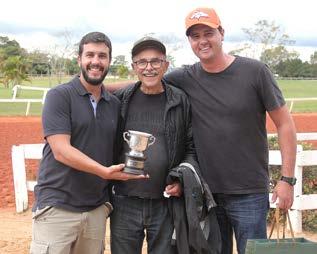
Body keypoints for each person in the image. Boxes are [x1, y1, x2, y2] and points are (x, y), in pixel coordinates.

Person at [162, 7, 297, 254]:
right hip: (208, 195)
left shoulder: (255, 72)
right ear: (190, 41)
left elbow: (285, 124)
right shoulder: (185, 77)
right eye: (195, 36)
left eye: (208, 33)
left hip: (249, 194)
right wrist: (98, 89)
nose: (202, 41)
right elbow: (145, 81)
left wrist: (287, 180)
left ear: (221, 33)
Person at [30, 32, 147, 254]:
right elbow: (61, 151)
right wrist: (103, 172)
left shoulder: (112, 104)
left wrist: (144, 79)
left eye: (102, 56)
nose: (96, 61)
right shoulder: (59, 96)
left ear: (109, 61)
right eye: (90, 55)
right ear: (79, 59)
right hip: (57, 208)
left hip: (95, 211)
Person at [110, 36, 218, 254]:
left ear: (165, 65)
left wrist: (180, 181)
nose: (149, 68)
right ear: (134, 67)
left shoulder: (180, 101)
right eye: (142, 62)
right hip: (124, 201)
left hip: (165, 203)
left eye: (155, 61)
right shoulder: (120, 100)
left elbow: (190, 149)